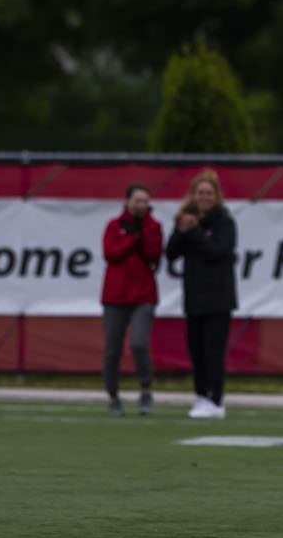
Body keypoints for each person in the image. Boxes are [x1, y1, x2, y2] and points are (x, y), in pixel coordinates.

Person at [167, 169, 238, 420]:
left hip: (219, 299)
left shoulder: (224, 222)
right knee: (196, 351)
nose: (204, 197)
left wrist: (195, 232)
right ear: (193, 196)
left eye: (209, 193)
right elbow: (171, 253)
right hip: (194, 298)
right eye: (200, 193)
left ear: (216, 195)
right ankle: (200, 396)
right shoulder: (186, 220)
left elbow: (218, 252)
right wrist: (181, 231)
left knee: (213, 352)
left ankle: (215, 400)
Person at [101, 184, 164, 416]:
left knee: (138, 343)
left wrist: (142, 232)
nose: (141, 205)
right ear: (127, 201)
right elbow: (111, 254)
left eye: (145, 201)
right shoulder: (114, 226)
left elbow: (154, 254)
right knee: (112, 349)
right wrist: (131, 238)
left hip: (143, 296)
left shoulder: (154, 227)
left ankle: (145, 390)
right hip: (115, 297)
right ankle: (113, 396)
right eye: (137, 200)